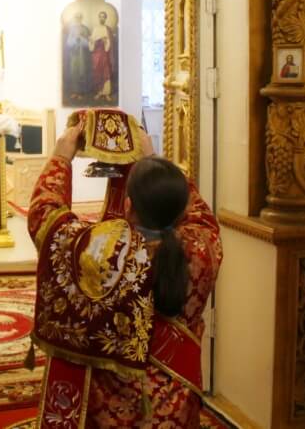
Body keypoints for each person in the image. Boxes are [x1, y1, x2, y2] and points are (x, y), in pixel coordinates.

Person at [28, 120, 222, 427]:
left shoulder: (102, 252)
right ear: (182, 208)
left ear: (128, 205)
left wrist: (61, 157)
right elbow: (198, 209)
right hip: (175, 407)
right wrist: (152, 158)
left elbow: (46, 217)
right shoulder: (202, 247)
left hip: (111, 411)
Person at [63, 11, 91, 100]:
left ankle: (81, 93)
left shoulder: (85, 29)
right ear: (75, 18)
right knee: (74, 72)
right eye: (76, 17)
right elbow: (68, 43)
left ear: (81, 18)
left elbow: (88, 44)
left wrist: (81, 38)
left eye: (80, 17)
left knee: (81, 72)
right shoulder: (72, 29)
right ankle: (75, 92)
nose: (78, 19)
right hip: (74, 55)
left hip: (82, 55)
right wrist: (75, 39)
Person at [90, 10, 115, 101]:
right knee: (98, 72)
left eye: (103, 17)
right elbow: (92, 42)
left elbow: (110, 43)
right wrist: (93, 41)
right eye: (100, 16)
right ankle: (99, 92)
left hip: (105, 53)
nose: (102, 18)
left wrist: (106, 42)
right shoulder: (95, 29)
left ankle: (106, 93)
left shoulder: (108, 29)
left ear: (105, 18)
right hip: (96, 54)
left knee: (106, 72)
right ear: (98, 18)